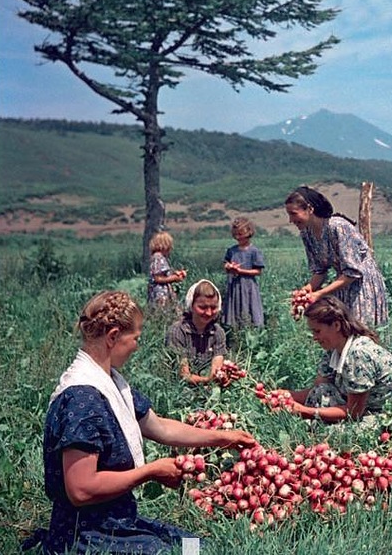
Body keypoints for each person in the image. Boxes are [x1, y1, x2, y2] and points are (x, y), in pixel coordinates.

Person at [29, 290, 255, 554]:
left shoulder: (110, 382)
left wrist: (224, 438)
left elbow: (160, 427)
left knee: (198, 547)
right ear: (113, 337)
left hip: (117, 517)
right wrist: (150, 472)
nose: (137, 346)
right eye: (135, 338)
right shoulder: (83, 398)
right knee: (177, 553)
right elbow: (81, 490)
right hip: (86, 531)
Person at [283, 296, 392, 423]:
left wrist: (306, 412)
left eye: (317, 331)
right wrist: (286, 397)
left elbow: (354, 412)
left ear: (336, 325)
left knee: (337, 432)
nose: (314, 337)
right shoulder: (333, 350)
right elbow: (316, 389)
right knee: (321, 392)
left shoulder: (358, 354)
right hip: (366, 407)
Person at [285, 186, 388, 327]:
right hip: (342, 283)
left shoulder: (338, 227)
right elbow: (320, 271)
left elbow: (353, 272)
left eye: (293, 214)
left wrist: (319, 294)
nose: (290, 220)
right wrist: (308, 289)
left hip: (361, 284)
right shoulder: (306, 234)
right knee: (342, 329)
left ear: (309, 209)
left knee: (360, 328)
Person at [165, 280, 227, 386]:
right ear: (191, 305)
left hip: (208, 386)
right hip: (180, 388)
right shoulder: (178, 331)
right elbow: (183, 375)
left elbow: (216, 370)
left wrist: (219, 377)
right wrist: (208, 380)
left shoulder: (218, 332)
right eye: (202, 307)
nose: (209, 313)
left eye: (213, 307)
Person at [222, 216, 265, 330]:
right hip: (234, 285)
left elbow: (258, 271)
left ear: (248, 233)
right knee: (235, 306)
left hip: (248, 286)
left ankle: (250, 331)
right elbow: (225, 264)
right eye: (236, 234)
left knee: (249, 306)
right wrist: (228, 266)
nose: (238, 237)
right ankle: (235, 331)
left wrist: (241, 271)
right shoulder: (231, 250)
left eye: (240, 234)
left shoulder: (254, 251)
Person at [147, 231, 187, 309]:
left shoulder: (160, 257)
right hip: (160, 294)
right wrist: (174, 278)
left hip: (163, 294)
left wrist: (175, 273)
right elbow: (157, 278)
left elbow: (162, 273)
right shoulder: (158, 257)